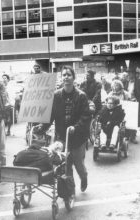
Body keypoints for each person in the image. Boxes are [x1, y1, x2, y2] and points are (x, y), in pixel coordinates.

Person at [37, 65, 91, 194]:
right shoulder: (56, 95)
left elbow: (86, 116)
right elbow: (51, 115)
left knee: (78, 164)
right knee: (66, 164)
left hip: (77, 137)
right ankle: (70, 189)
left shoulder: (81, 96)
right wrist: (42, 127)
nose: (66, 77)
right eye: (64, 75)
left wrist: (76, 127)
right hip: (62, 135)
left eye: (69, 75)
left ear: (74, 78)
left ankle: (84, 177)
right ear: (61, 78)